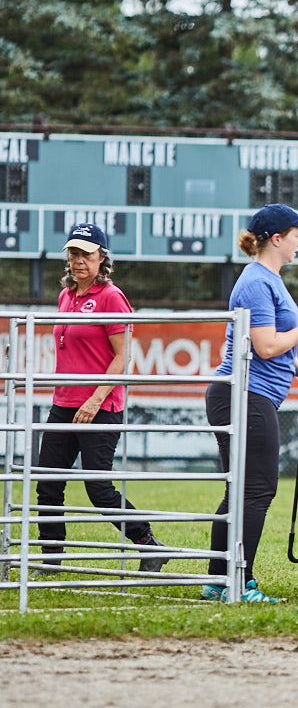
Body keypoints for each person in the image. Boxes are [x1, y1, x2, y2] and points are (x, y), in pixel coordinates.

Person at [201, 204, 298, 603]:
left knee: (240, 490)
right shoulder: (257, 281)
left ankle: (219, 581)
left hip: (249, 394)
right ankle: (241, 580)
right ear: (276, 239)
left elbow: (270, 345)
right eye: (296, 234)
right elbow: (266, 346)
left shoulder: (268, 279)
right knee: (257, 489)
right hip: (244, 396)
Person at [36, 222, 168, 572]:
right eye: (74, 254)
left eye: (87, 254)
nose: (79, 261)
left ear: (101, 258)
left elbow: (124, 356)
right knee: (48, 484)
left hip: (100, 406)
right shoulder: (66, 296)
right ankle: (51, 558)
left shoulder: (111, 297)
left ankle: (149, 544)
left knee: (98, 488)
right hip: (63, 403)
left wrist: (95, 399)